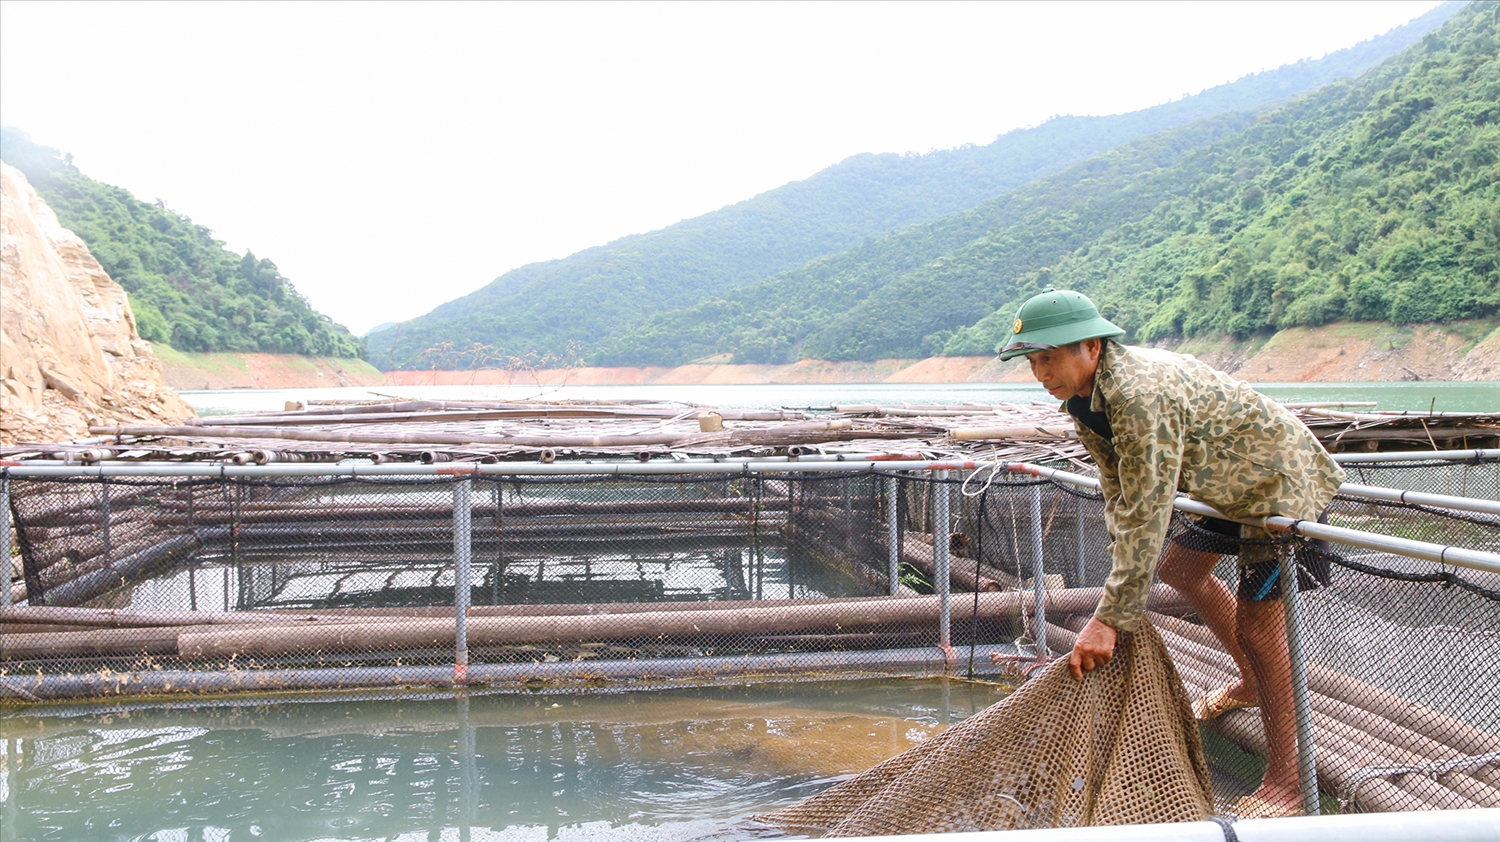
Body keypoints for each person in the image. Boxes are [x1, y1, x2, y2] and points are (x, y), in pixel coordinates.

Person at [997, 288, 1345, 819]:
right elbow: (1119, 495)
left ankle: (1290, 785)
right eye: (1032, 361)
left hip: (1277, 486)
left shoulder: (1137, 396)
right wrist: (1116, 601)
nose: (1040, 372)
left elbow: (1148, 511)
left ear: (1090, 347)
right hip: (1221, 484)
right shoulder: (1083, 402)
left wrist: (1110, 618)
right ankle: (1251, 682)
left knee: (1261, 628)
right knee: (1180, 568)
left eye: (1049, 357)